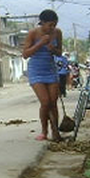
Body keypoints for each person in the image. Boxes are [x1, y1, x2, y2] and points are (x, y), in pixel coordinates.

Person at [22, 9, 63, 141]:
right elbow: (25, 54)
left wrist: (53, 49)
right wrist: (40, 43)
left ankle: (56, 132)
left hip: (50, 69)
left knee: (53, 102)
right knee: (45, 102)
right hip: (36, 70)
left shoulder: (57, 33)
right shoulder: (33, 33)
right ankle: (44, 131)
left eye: (54, 25)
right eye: (50, 25)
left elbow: (60, 53)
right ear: (42, 23)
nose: (52, 28)